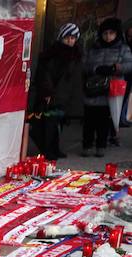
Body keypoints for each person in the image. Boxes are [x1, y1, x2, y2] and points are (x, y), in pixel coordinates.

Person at [29, 23, 82, 159]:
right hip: (53, 95)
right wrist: (47, 92)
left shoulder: (76, 54)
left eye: (73, 38)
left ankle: (55, 149)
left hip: (65, 96)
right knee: (48, 124)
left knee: (58, 124)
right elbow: (44, 74)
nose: (70, 41)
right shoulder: (52, 54)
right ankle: (48, 151)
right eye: (67, 38)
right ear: (61, 37)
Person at [81, 18, 132, 156]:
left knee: (104, 120)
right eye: (105, 33)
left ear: (117, 34)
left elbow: (129, 66)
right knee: (89, 120)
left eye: (111, 33)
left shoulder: (123, 48)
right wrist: (96, 69)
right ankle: (86, 145)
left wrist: (116, 68)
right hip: (93, 88)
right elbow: (83, 65)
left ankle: (101, 146)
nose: (108, 36)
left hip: (111, 89)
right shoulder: (93, 48)